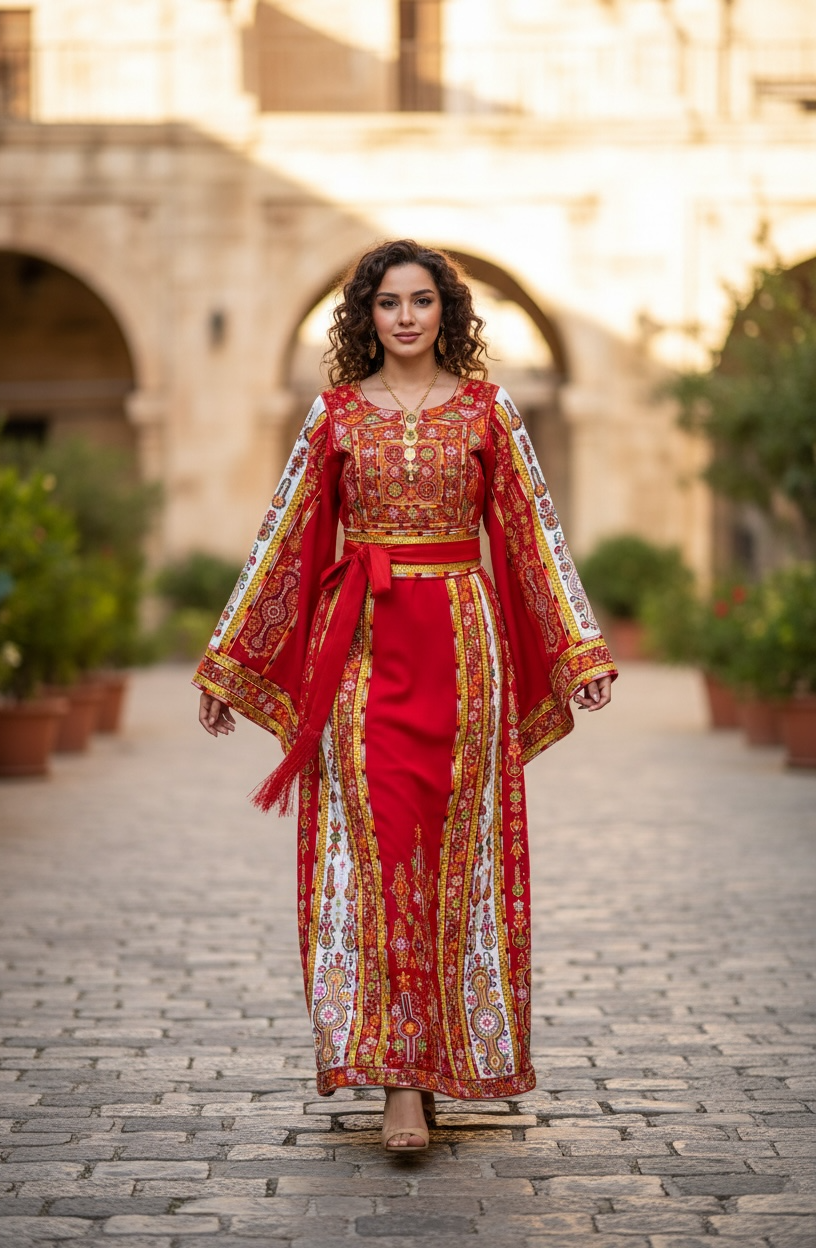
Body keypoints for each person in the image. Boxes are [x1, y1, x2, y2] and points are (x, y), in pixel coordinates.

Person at [195, 240, 616, 1153]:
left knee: (455, 862)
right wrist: (231, 657)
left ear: (446, 313)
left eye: (423, 301)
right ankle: (398, 1084)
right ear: (366, 316)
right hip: (362, 656)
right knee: (375, 858)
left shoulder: (490, 412)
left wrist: (577, 648)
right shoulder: (336, 416)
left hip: (465, 658)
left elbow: (532, 526)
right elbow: (287, 532)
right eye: (389, 303)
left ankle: (447, 1060)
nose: (407, 318)